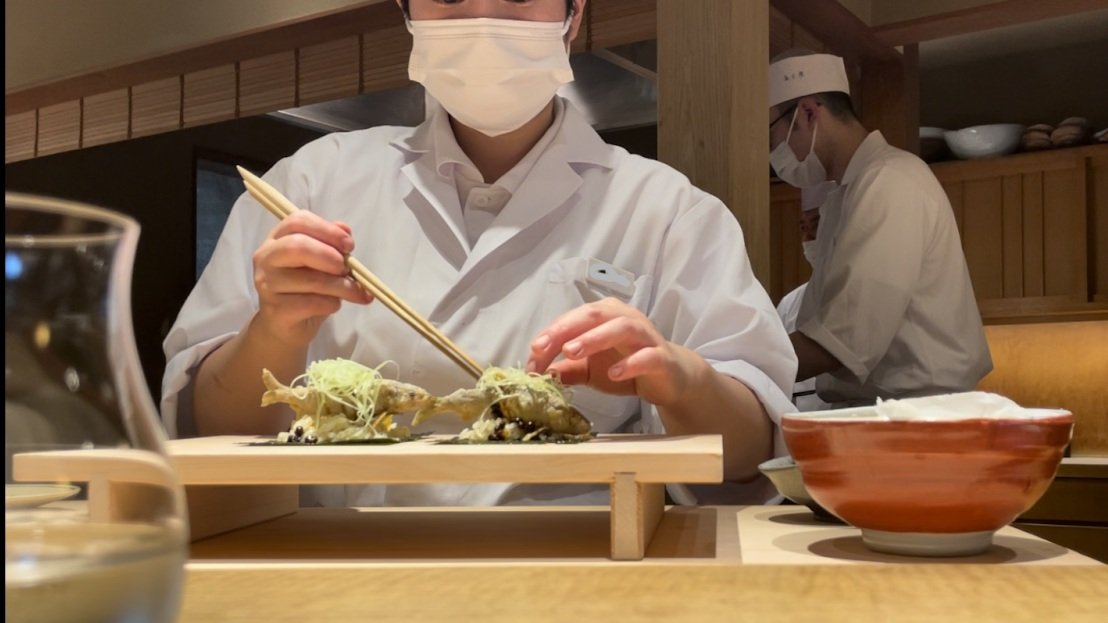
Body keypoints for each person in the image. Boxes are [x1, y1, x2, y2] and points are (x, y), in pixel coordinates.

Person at [161, 0, 797, 507]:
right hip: (343, 576)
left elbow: (753, 452)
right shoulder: (308, 186)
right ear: (407, 11)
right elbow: (201, 429)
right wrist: (273, 333)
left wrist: (678, 380)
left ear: (574, 13)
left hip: (582, 582)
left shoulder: (669, 211)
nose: (483, 21)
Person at [767, 50, 992, 407]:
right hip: (891, 414)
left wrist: (738, 364)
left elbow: (843, 340)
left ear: (808, 114)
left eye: (772, 135)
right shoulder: (848, 194)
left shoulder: (889, 180)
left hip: (918, 417)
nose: (774, 151)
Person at [776, 182, 836, 412]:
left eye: (816, 224)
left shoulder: (865, 291)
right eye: (803, 227)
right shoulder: (790, 303)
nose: (808, 236)